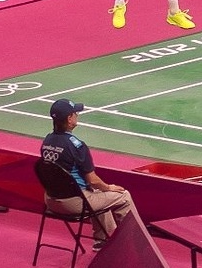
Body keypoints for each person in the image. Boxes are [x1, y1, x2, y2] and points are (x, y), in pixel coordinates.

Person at [39, 98, 138, 250]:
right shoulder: (76, 145)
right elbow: (92, 180)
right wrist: (109, 187)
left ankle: (102, 240)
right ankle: (135, 241)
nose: (77, 115)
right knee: (123, 196)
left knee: (97, 194)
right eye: (75, 113)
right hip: (73, 204)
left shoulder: (47, 141)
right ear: (69, 118)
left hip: (50, 200)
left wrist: (101, 189)